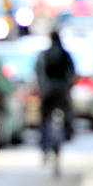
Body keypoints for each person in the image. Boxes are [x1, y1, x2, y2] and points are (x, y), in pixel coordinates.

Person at [35, 30, 76, 159]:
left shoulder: (45, 54)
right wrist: (67, 84)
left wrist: (43, 86)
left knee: (44, 116)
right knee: (68, 111)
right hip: (62, 90)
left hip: (48, 90)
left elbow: (38, 71)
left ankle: (44, 144)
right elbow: (72, 72)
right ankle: (69, 131)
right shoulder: (65, 54)